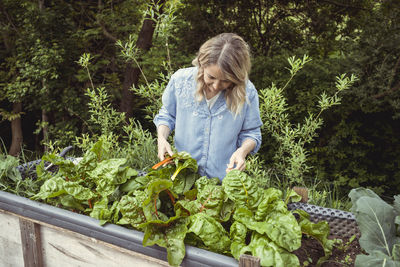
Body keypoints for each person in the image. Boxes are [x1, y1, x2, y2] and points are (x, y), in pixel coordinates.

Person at [153, 33, 262, 181]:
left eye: (225, 80)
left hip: (223, 182)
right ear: (201, 64)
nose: (216, 86)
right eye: (211, 77)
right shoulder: (180, 81)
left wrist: (242, 151)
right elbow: (167, 116)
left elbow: (252, 133)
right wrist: (162, 138)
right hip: (182, 178)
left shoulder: (247, 92)